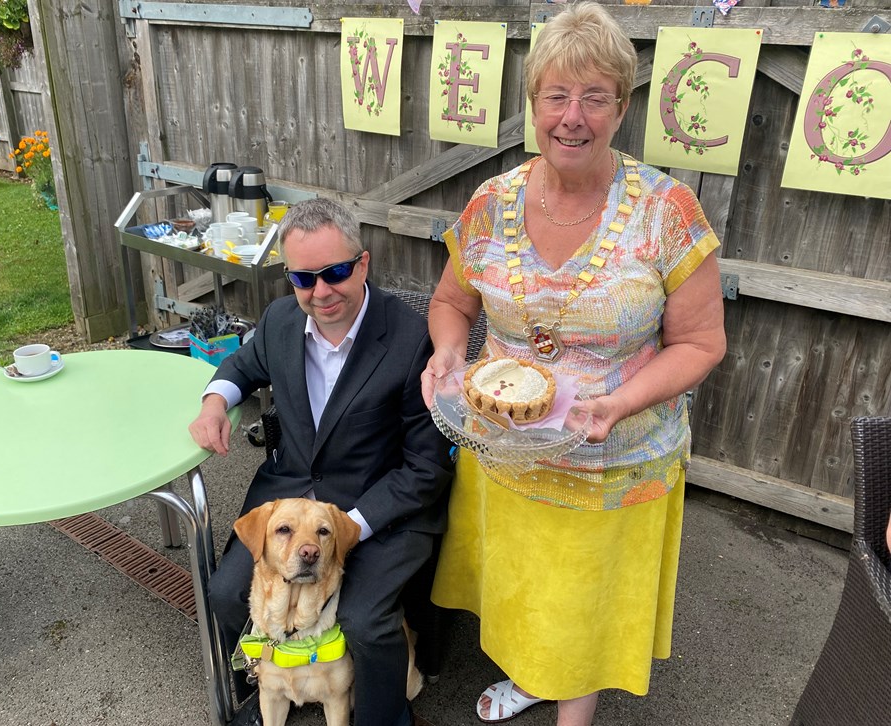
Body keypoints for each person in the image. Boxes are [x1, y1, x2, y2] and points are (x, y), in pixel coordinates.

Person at [420, 3, 727, 724]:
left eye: (595, 96)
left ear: (621, 107)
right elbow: (449, 303)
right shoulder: (491, 202)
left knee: (582, 599)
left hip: (615, 454)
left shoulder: (667, 211)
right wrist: (443, 352)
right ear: (533, 104)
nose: (573, 116)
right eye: (557, 95)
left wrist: (617, 404)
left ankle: (572, 709)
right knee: (527, 586)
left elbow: (702, 343)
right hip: (506, 447)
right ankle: (534, 675)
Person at [189, 198, 453, 726]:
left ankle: (383, 716)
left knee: (363, 619)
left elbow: (428, 467)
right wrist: (215, 401)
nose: (321, 291)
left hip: (380, 507)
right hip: (290, 497)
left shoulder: (410, 340)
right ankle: (275, 677)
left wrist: (346, 527)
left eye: (335, 272)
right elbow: (242, 364)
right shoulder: (282, 320)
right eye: (303, 278)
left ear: (363, 263)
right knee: (224, 592)